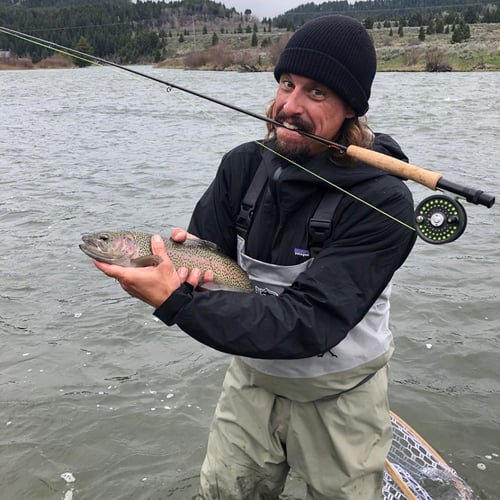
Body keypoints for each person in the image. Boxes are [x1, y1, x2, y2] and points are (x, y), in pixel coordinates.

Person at [94, 15, 417, 500]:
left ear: (351, 108)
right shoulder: (243, 165)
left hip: (342, 394)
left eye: (317, 93)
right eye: (287, 83)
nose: (289, 105)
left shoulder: (384, 202)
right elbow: (209, 258)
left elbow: (310, 322)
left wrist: (174, 302)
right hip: (252, 382)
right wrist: (174, 273)